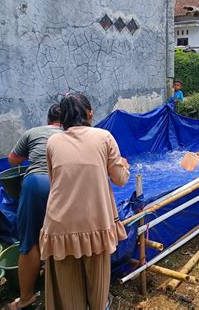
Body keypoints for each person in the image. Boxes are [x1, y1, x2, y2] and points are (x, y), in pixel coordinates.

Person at [40, 93, 130, 309]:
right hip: (96, 224)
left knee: (69, 298)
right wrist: (124, 165)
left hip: (59, 226)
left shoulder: (52, 142)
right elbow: (120, 179)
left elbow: (55, 183)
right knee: (98, 294)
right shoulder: (104, 137)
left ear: (64, 117)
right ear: (89, 113)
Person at [7, 104, 62, 309]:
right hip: (63, 185)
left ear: (48, 120)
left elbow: (13, 160)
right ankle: (61, 289)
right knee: (62, 236)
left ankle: (26, 297)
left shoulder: (33, 132)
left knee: (30, 240)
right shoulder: (70, 134)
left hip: (36, 183)